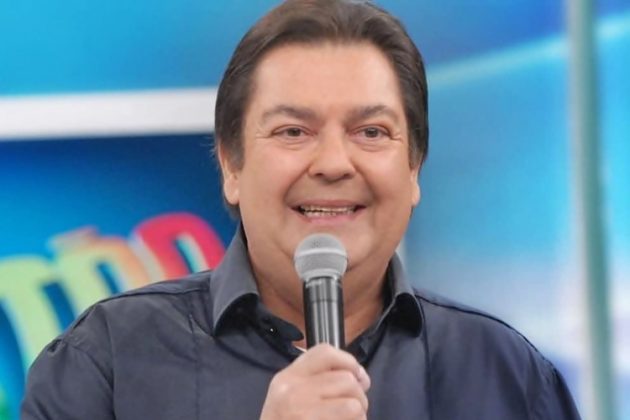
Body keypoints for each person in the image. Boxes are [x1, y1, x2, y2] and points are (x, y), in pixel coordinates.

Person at [22, 0, 581, 419]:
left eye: (371, 131)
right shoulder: (105, 362)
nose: (333, 163)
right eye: (293, 131)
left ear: (414, 169)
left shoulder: (508, 375)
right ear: (231, 166)